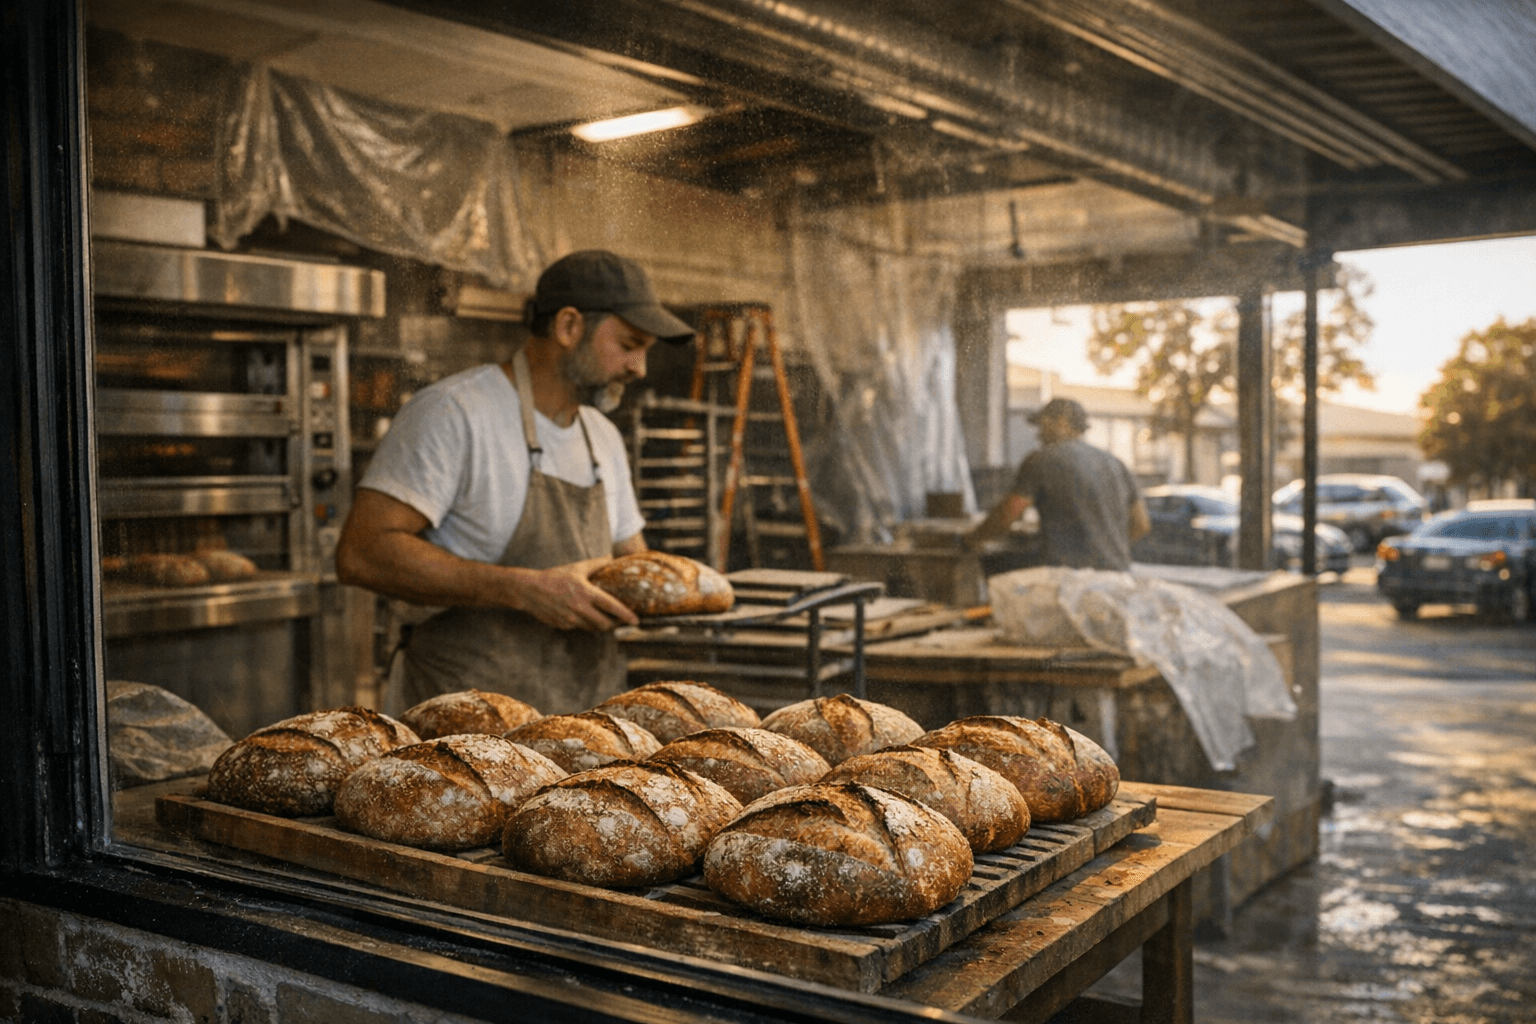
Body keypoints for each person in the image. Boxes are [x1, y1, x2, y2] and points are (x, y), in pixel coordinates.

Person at [335, 250, 694, 713]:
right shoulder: (456, 413)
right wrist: (522, 590)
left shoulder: (602, 437)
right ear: (569, 327)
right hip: (466, 732)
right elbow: (362, 553)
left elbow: (634, 565)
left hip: (585, 724)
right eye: (630, 345)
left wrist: (690, 594)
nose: (639, 369)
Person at [963, 397, 1150, 571]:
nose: (1039, 436)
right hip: (1117, 575)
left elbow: (1009, 513)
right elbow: (1141, 524)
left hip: (1067, 579)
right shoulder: (1116, 463)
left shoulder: (1042, 460)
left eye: (1043, 426)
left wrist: (972, 539)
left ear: (1061, 422)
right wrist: (1105, 550)